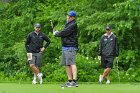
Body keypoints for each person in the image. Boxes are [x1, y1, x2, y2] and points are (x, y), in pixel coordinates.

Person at [53, 11, 78, 87]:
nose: (68, 17)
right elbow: (64, 31)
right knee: (66, 64)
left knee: (72, 63)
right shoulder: (68, 23)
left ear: (73, 17)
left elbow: (65, 32)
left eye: (70, 16)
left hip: (70, 46)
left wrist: (56, 33)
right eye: (68, 16)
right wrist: (58, 32)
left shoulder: (73, 24)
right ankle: (69, 80)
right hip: (65, 46)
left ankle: (74, 81)